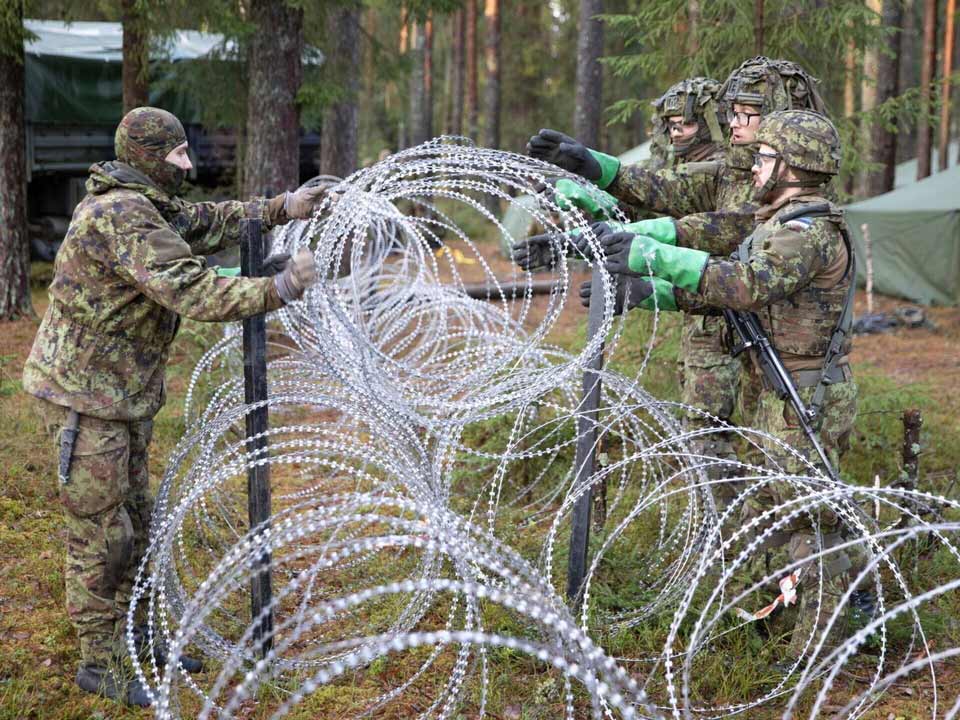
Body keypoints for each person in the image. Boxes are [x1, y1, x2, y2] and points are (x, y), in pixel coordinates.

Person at [22, 106, 327, 706]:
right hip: (85, 400)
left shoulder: (146, 203)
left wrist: (279, 207)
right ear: (146, 158)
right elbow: (190, 287)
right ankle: (99, 662)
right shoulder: (121, 217)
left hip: (119, 397)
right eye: (177, 156)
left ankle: (134, 638)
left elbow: (203, 220)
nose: (188, 164)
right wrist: (282, 287)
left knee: (136, 523)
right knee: (100, 534)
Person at [591, 109, 861, 663]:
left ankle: (821, 645)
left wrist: (655, 256)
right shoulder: (777, 223)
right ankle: (785, 618)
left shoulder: (806, 232)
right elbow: (725, 291)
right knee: (770, 508)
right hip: (780, 389)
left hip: (806, 393)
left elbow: (745, 285)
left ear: (794, 167)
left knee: (808, 516)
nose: (756, 167)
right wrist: (654, 293)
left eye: (765, 158)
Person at [524, 58, 827, 517]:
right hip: (736, 331)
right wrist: (596, 168)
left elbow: (731, 232)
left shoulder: (796, 195)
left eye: (751, 113)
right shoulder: (737, 170)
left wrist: (654, 247)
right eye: (733, 111)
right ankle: (733, 542)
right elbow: (666, 186)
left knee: (782, 482)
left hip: (782, 352)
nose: (736, 123)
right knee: (740, 454)